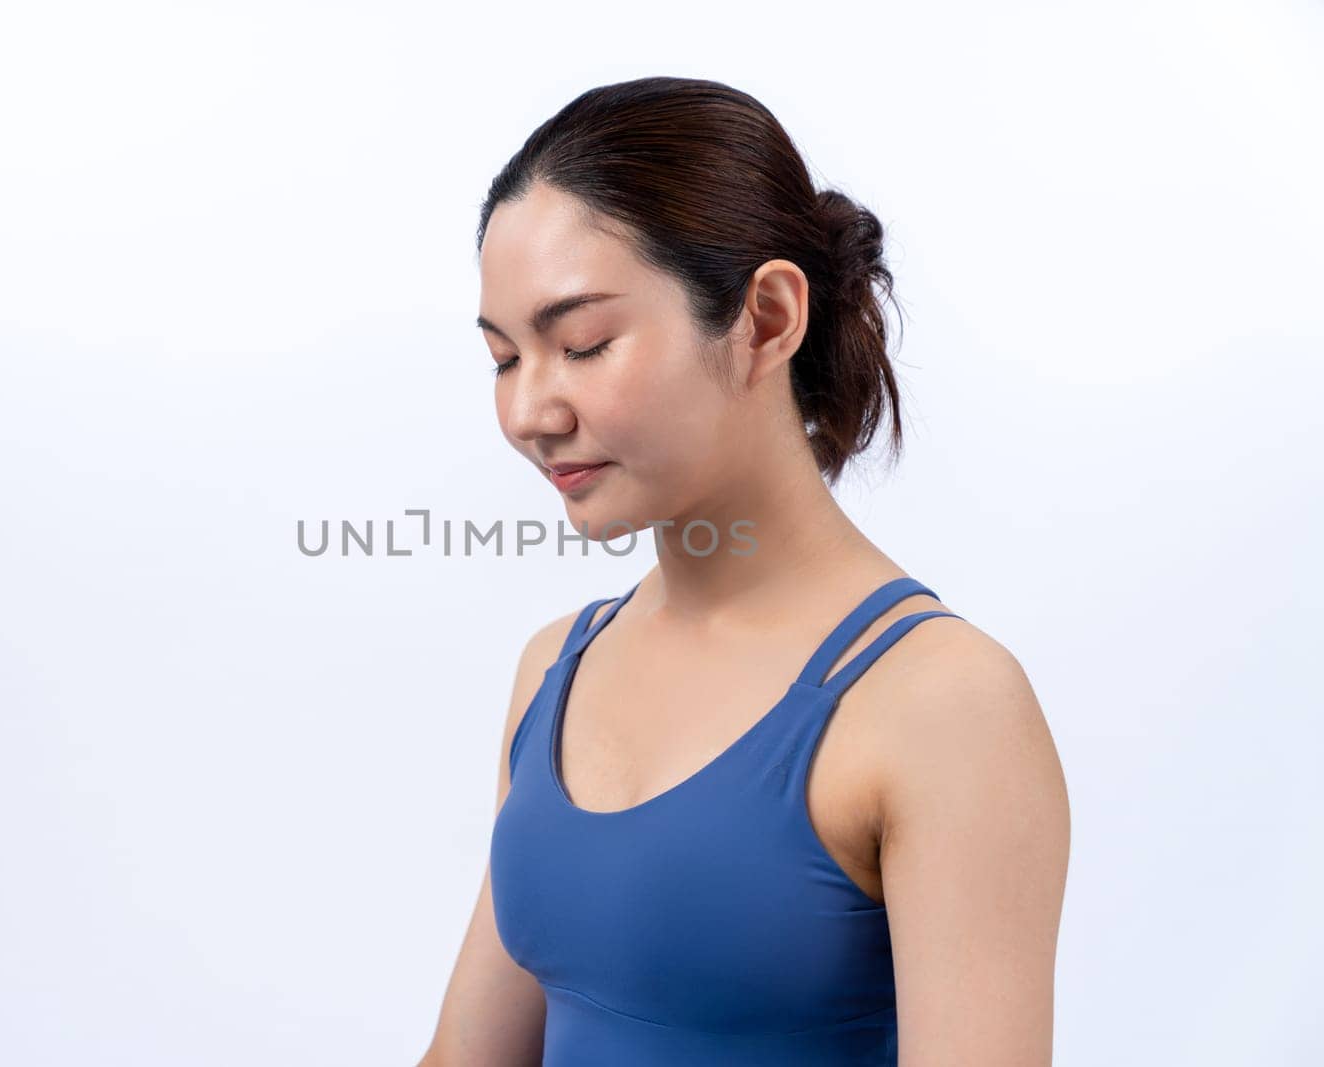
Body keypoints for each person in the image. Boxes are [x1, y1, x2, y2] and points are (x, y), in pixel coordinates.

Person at [417, 76, 1069, 1066]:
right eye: (505, 358)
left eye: (580, 343)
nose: (527, 412)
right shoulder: (554, 668)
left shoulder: (941, 706)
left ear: (766, 318)